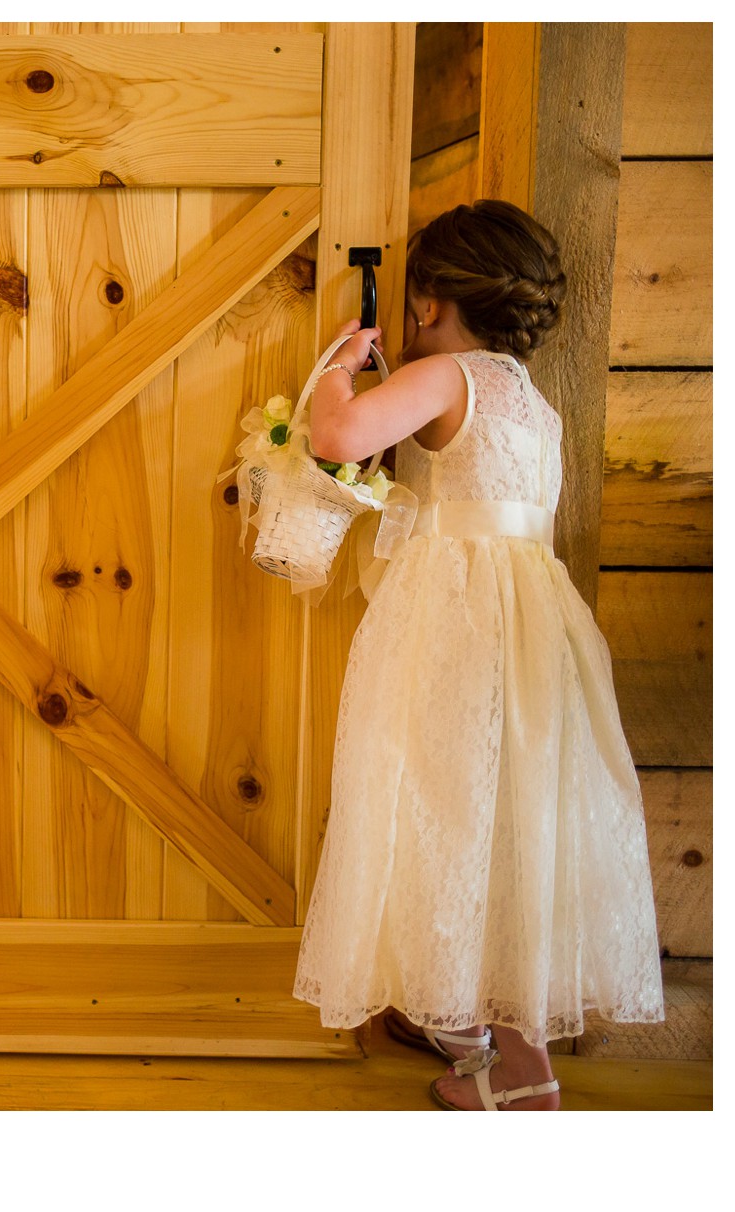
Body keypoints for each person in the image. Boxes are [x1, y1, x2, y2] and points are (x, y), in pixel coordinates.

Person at [290, 200, 665, 1110]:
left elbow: (337, 438)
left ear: (424, 304)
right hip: (535, 630)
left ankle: (479, 1040)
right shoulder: (534, 404)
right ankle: (517, 1061)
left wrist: (340, 372)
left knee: (435, 810)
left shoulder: (452, 373)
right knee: (510, 831)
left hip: (458, 628)